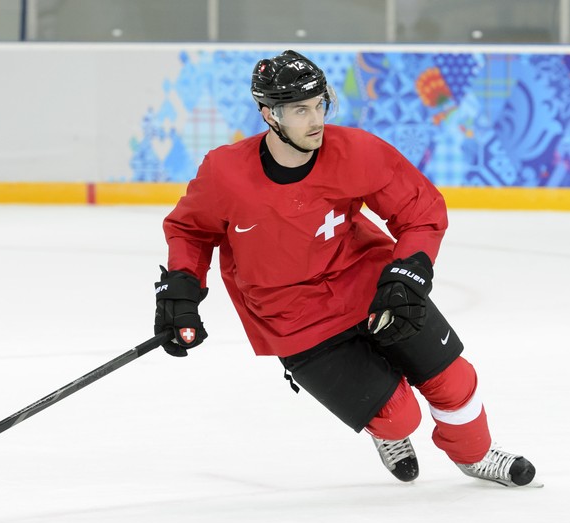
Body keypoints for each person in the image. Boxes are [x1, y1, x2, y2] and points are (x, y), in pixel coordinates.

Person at [153, 50, 536, 487]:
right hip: (292, 317)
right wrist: (181, 291)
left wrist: (408, 273)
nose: (316, 119)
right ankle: (387, 432)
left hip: (369, 287)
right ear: (268, 114)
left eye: (321, 104)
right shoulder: (225, 173)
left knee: (453, 378)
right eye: (300, 109)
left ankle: (475, 455)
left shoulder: (356, 152)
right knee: (398, 417)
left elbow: (421, 211)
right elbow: (190, 230)